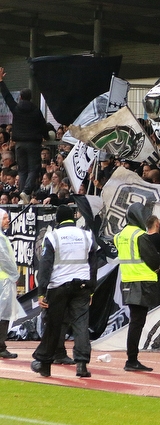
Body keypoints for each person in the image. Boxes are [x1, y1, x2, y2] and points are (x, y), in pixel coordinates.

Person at [31, 205, 97, 378]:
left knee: (53, 324)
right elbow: (93, 265)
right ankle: (81, 365)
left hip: (58, 286)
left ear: (58, 220)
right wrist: (91, 289)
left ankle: (45, 364)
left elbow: (45, 266)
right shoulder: (87, 235)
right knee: (81, 324)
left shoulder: (53, 236)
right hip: (82, 286)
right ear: (73, 218)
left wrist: (41, 292)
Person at [114, 202, 160, 372]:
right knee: (137, 322)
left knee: (135, 321)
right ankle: (131, 359)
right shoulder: (140, 235)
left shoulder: (119, 235)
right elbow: (153, 259)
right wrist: (157, 268)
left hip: (127, 281)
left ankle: (132, 358)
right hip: (142, 282)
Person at [0, 68, 48, 200]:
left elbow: (7, 96)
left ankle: (22, 196)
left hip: (19, 144)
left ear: (20, 97)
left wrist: (1, 81)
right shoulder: (36, 111)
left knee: (22, 171)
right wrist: (47, 136)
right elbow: (43, 126)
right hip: (33, 144)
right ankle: (26, 192)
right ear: (31, 98)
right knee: (33, 169)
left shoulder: (16, 108)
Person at [0, 209, 26, 359]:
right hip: (4, 281)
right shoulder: (1, 238)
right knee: (3, 315)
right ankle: (1, 346)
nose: (7, 221)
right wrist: (15, 274)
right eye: (4, 218)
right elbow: (4, 259)